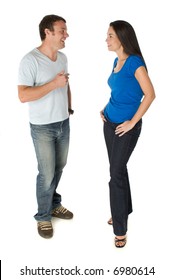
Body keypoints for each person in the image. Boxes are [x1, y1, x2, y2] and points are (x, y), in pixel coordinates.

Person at [18, 14, 74, 239]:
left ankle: (53, 203)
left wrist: (69, 108)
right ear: (47, 32)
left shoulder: (62, 58)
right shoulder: (29, 60)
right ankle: (43, 216)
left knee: (59, 167)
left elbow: (67, 84)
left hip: (63, 123)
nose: (66, 35)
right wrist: (53, 84)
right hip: (42, 127)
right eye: (62, 31)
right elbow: (22, 96)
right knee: (46, 173)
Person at [100, 20, 155, 248]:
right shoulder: (117, 60)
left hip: (126, 128)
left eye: (110, 35)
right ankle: (122, 209)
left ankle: (120, 227)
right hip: (109, 123)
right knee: (118, 170)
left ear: (122, 38)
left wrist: (133, 122)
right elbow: (118, 91)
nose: (106, 39)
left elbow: (150, 94)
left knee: (116, 174)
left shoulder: (135, 63)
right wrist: (105, 108)